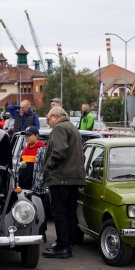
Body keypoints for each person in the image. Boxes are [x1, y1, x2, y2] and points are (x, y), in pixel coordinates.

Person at [41, 107, 86, 258]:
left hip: (61, 177)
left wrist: (47, 166)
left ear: (55, 116)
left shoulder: (60, 128)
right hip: (73, 178)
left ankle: (63, 246)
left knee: (59, 212)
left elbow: (59, 151)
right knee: (70, 211)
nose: (49, 124)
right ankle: (68, 242)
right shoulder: (72, 128)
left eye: (48, 120)